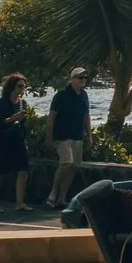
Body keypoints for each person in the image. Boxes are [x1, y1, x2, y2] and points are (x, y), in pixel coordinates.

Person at [47, 68, 91, 207]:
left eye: (84, 78)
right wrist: (49, 136)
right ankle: (53, 192)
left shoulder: (84, 95)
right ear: (72, 79)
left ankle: (61, 198)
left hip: (77, 135)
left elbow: (86, 116)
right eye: (80, 77)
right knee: (66, 163)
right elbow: (52, 116)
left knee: (73, 167)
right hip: (62, 135)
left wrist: (89, 135)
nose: (83, 80)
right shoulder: (61, 95)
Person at [0, 75, 32, 214]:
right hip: (3, 141)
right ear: (12, 87)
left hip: (18, 141)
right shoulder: (2, 103)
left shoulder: (22, 103)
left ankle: (20, 203)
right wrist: (11, 119)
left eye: (24, 86)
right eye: (19, 86)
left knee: (23, 171)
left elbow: (23, 124)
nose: (22, 89)